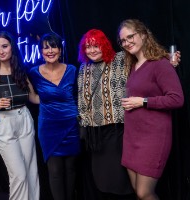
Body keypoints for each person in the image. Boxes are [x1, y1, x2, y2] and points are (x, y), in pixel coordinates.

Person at [118, 19, 184, 200]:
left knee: (144, 193)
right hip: (132, 138)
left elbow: (177, 99)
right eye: (123, 40)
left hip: (153, 138)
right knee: (137, 192)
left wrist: (143, 101)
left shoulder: (160, 63)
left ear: (144, 35)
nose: (126, 42)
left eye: (130, 36)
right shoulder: (132, 66)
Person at [77, 29, 135, 200]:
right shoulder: (84, 67)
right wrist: (84, 122)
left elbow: (146, 61)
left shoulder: (120, 59)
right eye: (88, 47)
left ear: (104, 45)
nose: (92, 50)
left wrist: (169, 59)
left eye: (96, 46)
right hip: (95, 132)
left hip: (118, 128)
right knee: (102, 178)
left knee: (120, 177)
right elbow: (81, 96)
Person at [28, 32, 80, 200]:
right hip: (49, 127)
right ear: (41, 51)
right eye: (45, 47)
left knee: (71, 169)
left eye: (53, 47)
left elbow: (79, 96)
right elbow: (33, 97)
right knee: (55, 171)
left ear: (60, 49)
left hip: (72, 125)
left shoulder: (72, 69)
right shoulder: (33, 73)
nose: (50, 51)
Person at [0, 31, 40, 200]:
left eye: (4, 46)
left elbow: (33, 97)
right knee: (19, 174)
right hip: (4, 122)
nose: (1, 51)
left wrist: (55, 95)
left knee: (31, 171)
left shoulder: (20, 69)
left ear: (12, 47)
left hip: (24, 118)